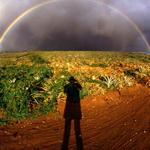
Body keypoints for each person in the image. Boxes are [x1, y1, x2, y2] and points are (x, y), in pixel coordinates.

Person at [61, 76, 84, 150]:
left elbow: (64, 92)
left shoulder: (67, 85)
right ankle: (75, 117)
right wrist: (77, 83)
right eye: (72, 81)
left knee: (70, 111)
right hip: (75, 101)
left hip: (70, 101)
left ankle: (70, 117)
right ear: (73, 80)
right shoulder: (75, 85)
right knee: (75, 111)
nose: (72, 82)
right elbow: (81, 88)